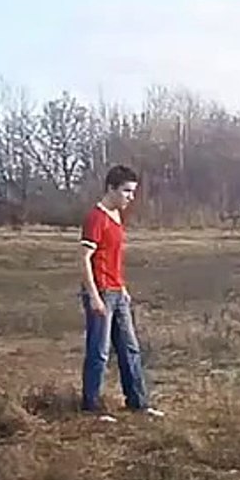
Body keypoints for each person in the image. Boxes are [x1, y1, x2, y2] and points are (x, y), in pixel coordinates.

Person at [79, 164, 163, 418]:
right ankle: (91, 407)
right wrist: (93, 296)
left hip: (117, 292)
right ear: (111, 189)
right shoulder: (96, 217)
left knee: (130, 348)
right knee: (99, 352)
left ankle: (138, 402)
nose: (131, 197)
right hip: (101, 292)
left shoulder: (117, 218)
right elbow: (83, 259)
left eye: (133, 192)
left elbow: (113, 258)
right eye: (126, 191)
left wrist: (123, 288)